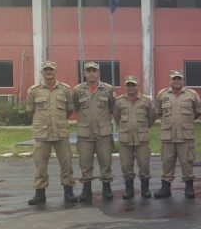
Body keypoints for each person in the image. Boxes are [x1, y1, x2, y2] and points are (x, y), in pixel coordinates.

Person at [25, 61, 78, 205]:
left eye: (51, 70)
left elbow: (69, 109)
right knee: (40, 164)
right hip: (42, 133)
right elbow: (30, 111)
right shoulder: (34, 90)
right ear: (42, 72)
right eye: (46, 70)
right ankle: (40, 194)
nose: (48, 72)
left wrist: (59, 121)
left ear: (56, 72)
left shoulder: (65, 90)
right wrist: (41, 122)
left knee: (66, 163)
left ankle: (69, 192)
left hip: (60, 132)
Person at [153, 69, 201, 199]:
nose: (176, 81)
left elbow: (198, 111)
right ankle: (165, 188)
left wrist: (186, 122)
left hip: (185, 135)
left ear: (183, 80)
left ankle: (189, 187)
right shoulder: (162, 95)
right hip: (168, 135)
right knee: (167, 161)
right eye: (174, 79)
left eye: (179, 78)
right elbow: (158, 112)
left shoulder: (192, 94)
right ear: (170, 80)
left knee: (187, 161)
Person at [72, 61, 116, 201]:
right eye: (88, 70)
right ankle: (86, 190)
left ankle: (107, 188)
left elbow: (112, 108)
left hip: (104, 132)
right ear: (84, 73)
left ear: (98, 73)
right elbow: (76, 108)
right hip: (85, 133)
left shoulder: (108, 89)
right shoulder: (77, 90)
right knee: (85, 163)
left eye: (94, 70)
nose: (91, 73)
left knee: (106, 162)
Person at [113, 75, 155, 199]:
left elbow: (151, 118)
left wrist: (143, 128)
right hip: (125, 139)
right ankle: (129, 190)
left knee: (144, 165)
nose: (131, 88)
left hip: (141, 139)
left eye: (133, 85)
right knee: (126, 165)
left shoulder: (146, 101)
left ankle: (145, 189)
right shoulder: (119, 101)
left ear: (138, 86)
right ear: (125, 86)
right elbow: (116, 118)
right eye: (128, 85)